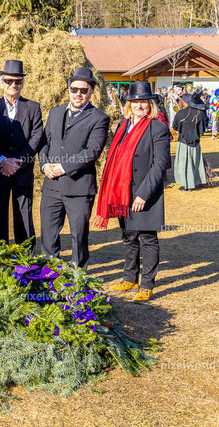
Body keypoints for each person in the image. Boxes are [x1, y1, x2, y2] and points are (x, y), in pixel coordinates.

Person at [95, 81, 171, 302]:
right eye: (135, 101)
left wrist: (143, 194)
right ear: (129, 104)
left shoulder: (157, 127)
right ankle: (130, 278)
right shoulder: (123, 125)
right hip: (122, 191)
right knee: (128, 236)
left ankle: (146, 285)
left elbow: (159, 165)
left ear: (150, 104)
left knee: (147, 238)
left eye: (143, 102)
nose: (139, 105)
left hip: (145, 192)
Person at [38, 67, 110, 269]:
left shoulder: (99, 118)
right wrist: (44, 165)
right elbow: (44, 143)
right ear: (68, 90)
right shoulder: (55, 112)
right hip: (51, 185)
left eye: (83, 90)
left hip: (79, 187)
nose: (78, 94)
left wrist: (63, 167)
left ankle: (78, 276)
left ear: (91, 92)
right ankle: (49, 272)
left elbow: (92, 151)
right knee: (48, 233)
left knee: (78, 235)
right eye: (74, 89)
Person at [0, 60, 43, 248]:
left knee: (24, 216)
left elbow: (36, 138)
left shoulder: (33, 107)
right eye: (9, 81)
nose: (13, 85)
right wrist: (1, 160)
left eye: (18, 81)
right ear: (1, 83)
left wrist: (18, 163)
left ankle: (25, 255)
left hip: (22, 172)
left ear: (23, 83)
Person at [172, 89, 207, 191]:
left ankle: (185, 184)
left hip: (183, 141)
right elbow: (202, 130)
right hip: (195, 142)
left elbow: (175, 127)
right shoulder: (200, 114)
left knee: (183, 164)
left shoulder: (180, 113)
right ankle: (192, 183)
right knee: (194, 163)